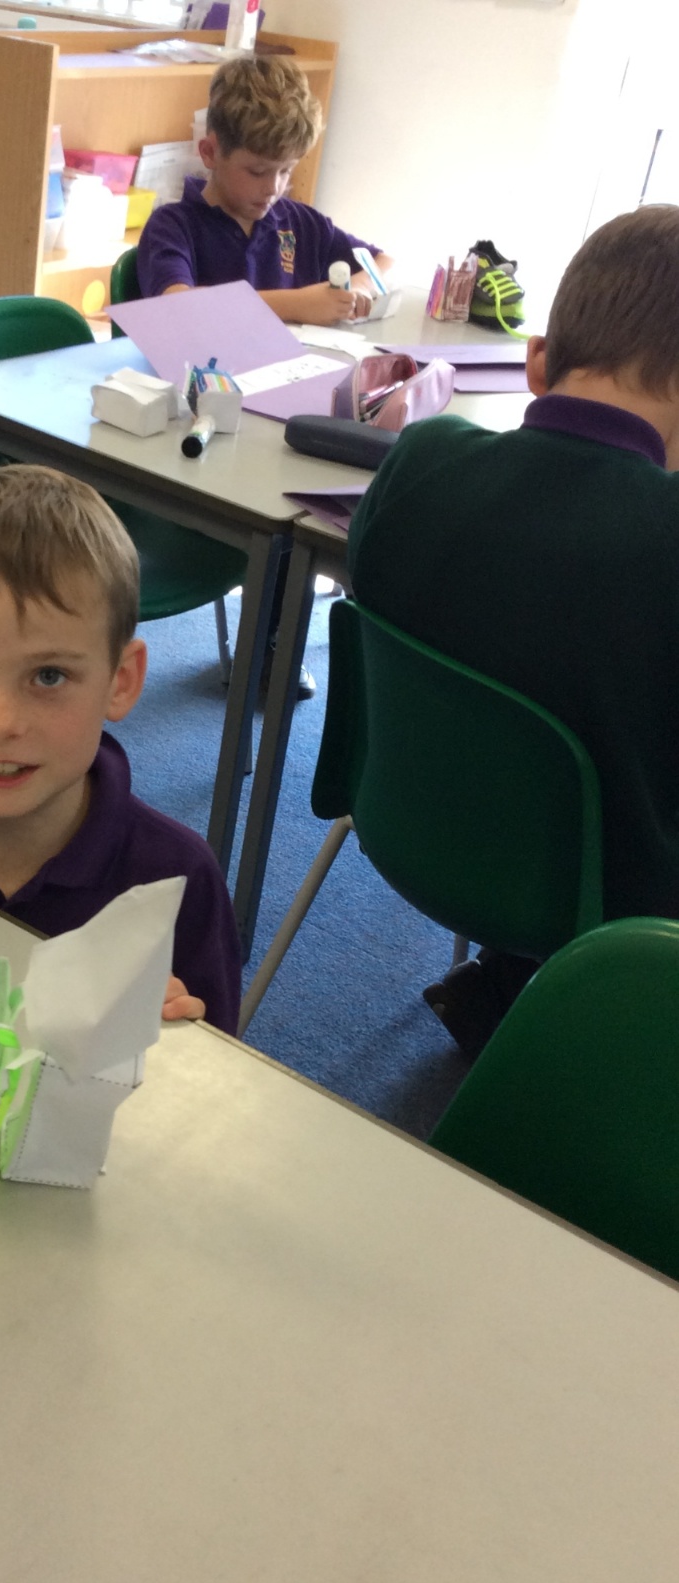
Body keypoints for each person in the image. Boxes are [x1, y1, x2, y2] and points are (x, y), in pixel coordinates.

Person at [348, 204, 679, 1057]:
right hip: (616, 913)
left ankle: (504, 982)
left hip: (408, 824)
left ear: (538, 359)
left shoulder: (417, 460)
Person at [0, 464, 243, 1035]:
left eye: (49, 676)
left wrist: (174, 1034)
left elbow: (215, 1066)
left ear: (120, 681)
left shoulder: (175, 882)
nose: (1, 723)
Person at [137, 54, 395, 326]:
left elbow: (384, 262)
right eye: (257, 172)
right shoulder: (172, 226)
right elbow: (177, 306)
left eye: (286, 170)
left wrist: (360, 287)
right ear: (210, 153)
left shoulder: (300, 223)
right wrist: (298, 305)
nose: (273, 188)